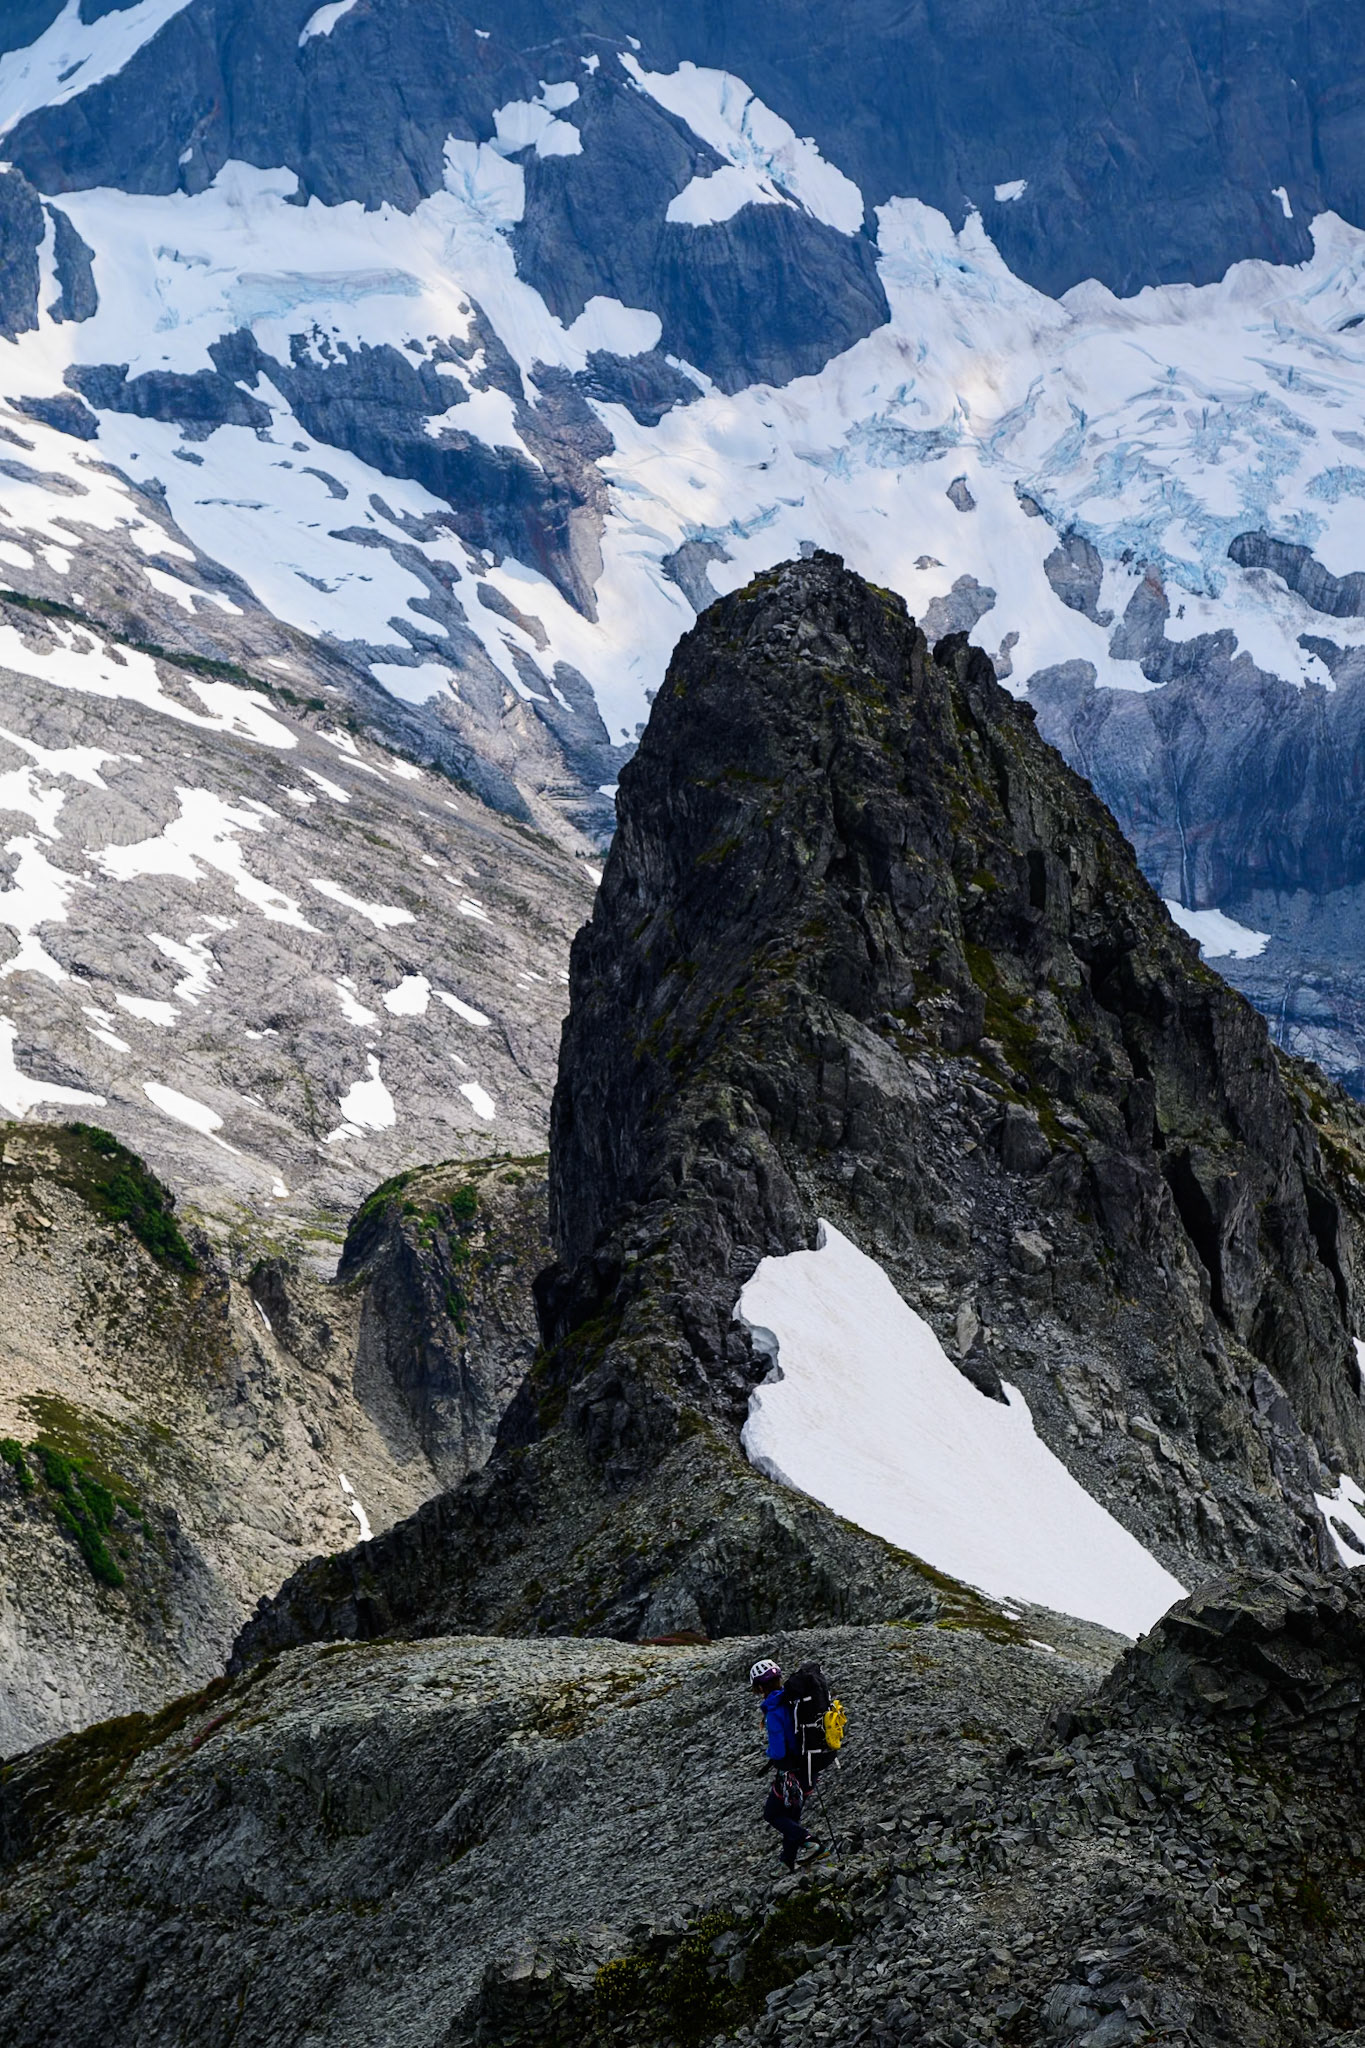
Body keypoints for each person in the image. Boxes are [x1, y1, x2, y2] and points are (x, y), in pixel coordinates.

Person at [749, 1658, 820, 1871]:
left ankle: (810, 1842)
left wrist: (770, 1753)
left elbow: (779, 1750)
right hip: (811, 1764)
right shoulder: (794, 1700)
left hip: (792, 1771)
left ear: (760, 1687)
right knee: (792, 1814)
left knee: (772, 1814)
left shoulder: (774, 1710)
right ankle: (787, 1861)